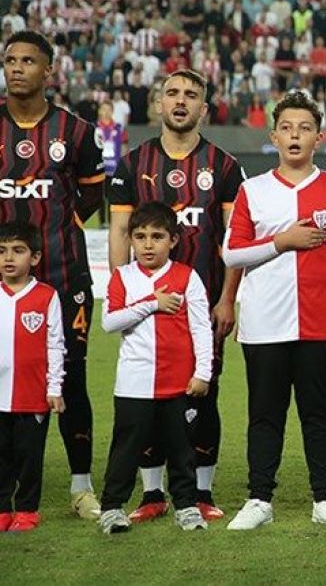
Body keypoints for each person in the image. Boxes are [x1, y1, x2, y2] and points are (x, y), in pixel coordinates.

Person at [107, 69, 245, 522]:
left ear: (204, 108)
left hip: (201, 308)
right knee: (146, 396)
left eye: (191, 95)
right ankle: (152, 493)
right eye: (172, 93)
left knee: (202, 392)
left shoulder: (223, 167)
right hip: (145, 311)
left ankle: (201, 491)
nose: (180, 101)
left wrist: (227, 299)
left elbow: (233, 241)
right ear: (159, 104)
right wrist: (121, 295)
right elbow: (120, 233)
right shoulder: (133, 164)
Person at [223, 90, 326, 531]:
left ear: (319, 137)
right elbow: (231, 254)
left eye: (304, 128)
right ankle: (259, 498)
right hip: (264, 324)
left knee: (319, 415)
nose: (295, 135)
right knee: (265, 414)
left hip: (321, 324)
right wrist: (282, 241)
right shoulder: (253, 190)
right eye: (287, 128)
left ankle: (325, 498)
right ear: (274, 137)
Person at [0, 30, 104, 519]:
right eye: (10, 60)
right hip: (2, 284)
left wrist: (60, 230)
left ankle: (81, 487)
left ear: (48, 71)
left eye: (28, 61)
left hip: (64, 279)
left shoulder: (76, 132)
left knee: (72, 380)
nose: (17, 68)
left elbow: (91, 194)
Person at [97, 202, 213, 534]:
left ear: (173, 240)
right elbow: (109, 322)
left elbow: (201, 328)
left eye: (157, 236)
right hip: (134, 382)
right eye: (140, 236)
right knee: (126, 448)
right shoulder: (123, 277)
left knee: (181, 449)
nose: (148, 244)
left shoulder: (187, 276)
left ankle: (187, 506)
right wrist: (152, 303)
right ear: (130, 240)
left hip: (178, 383)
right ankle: (112, 507)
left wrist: (202, 372)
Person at [0, 220, 66, 533]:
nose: (8, 258)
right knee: (1, 457)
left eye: (18, 251)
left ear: (35, 258)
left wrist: (55, 388)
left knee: (29, 457)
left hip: (32, 394)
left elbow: (55, 344)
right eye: (1, 251)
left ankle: (27, 509)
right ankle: (2, 509)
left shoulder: (46, 296)